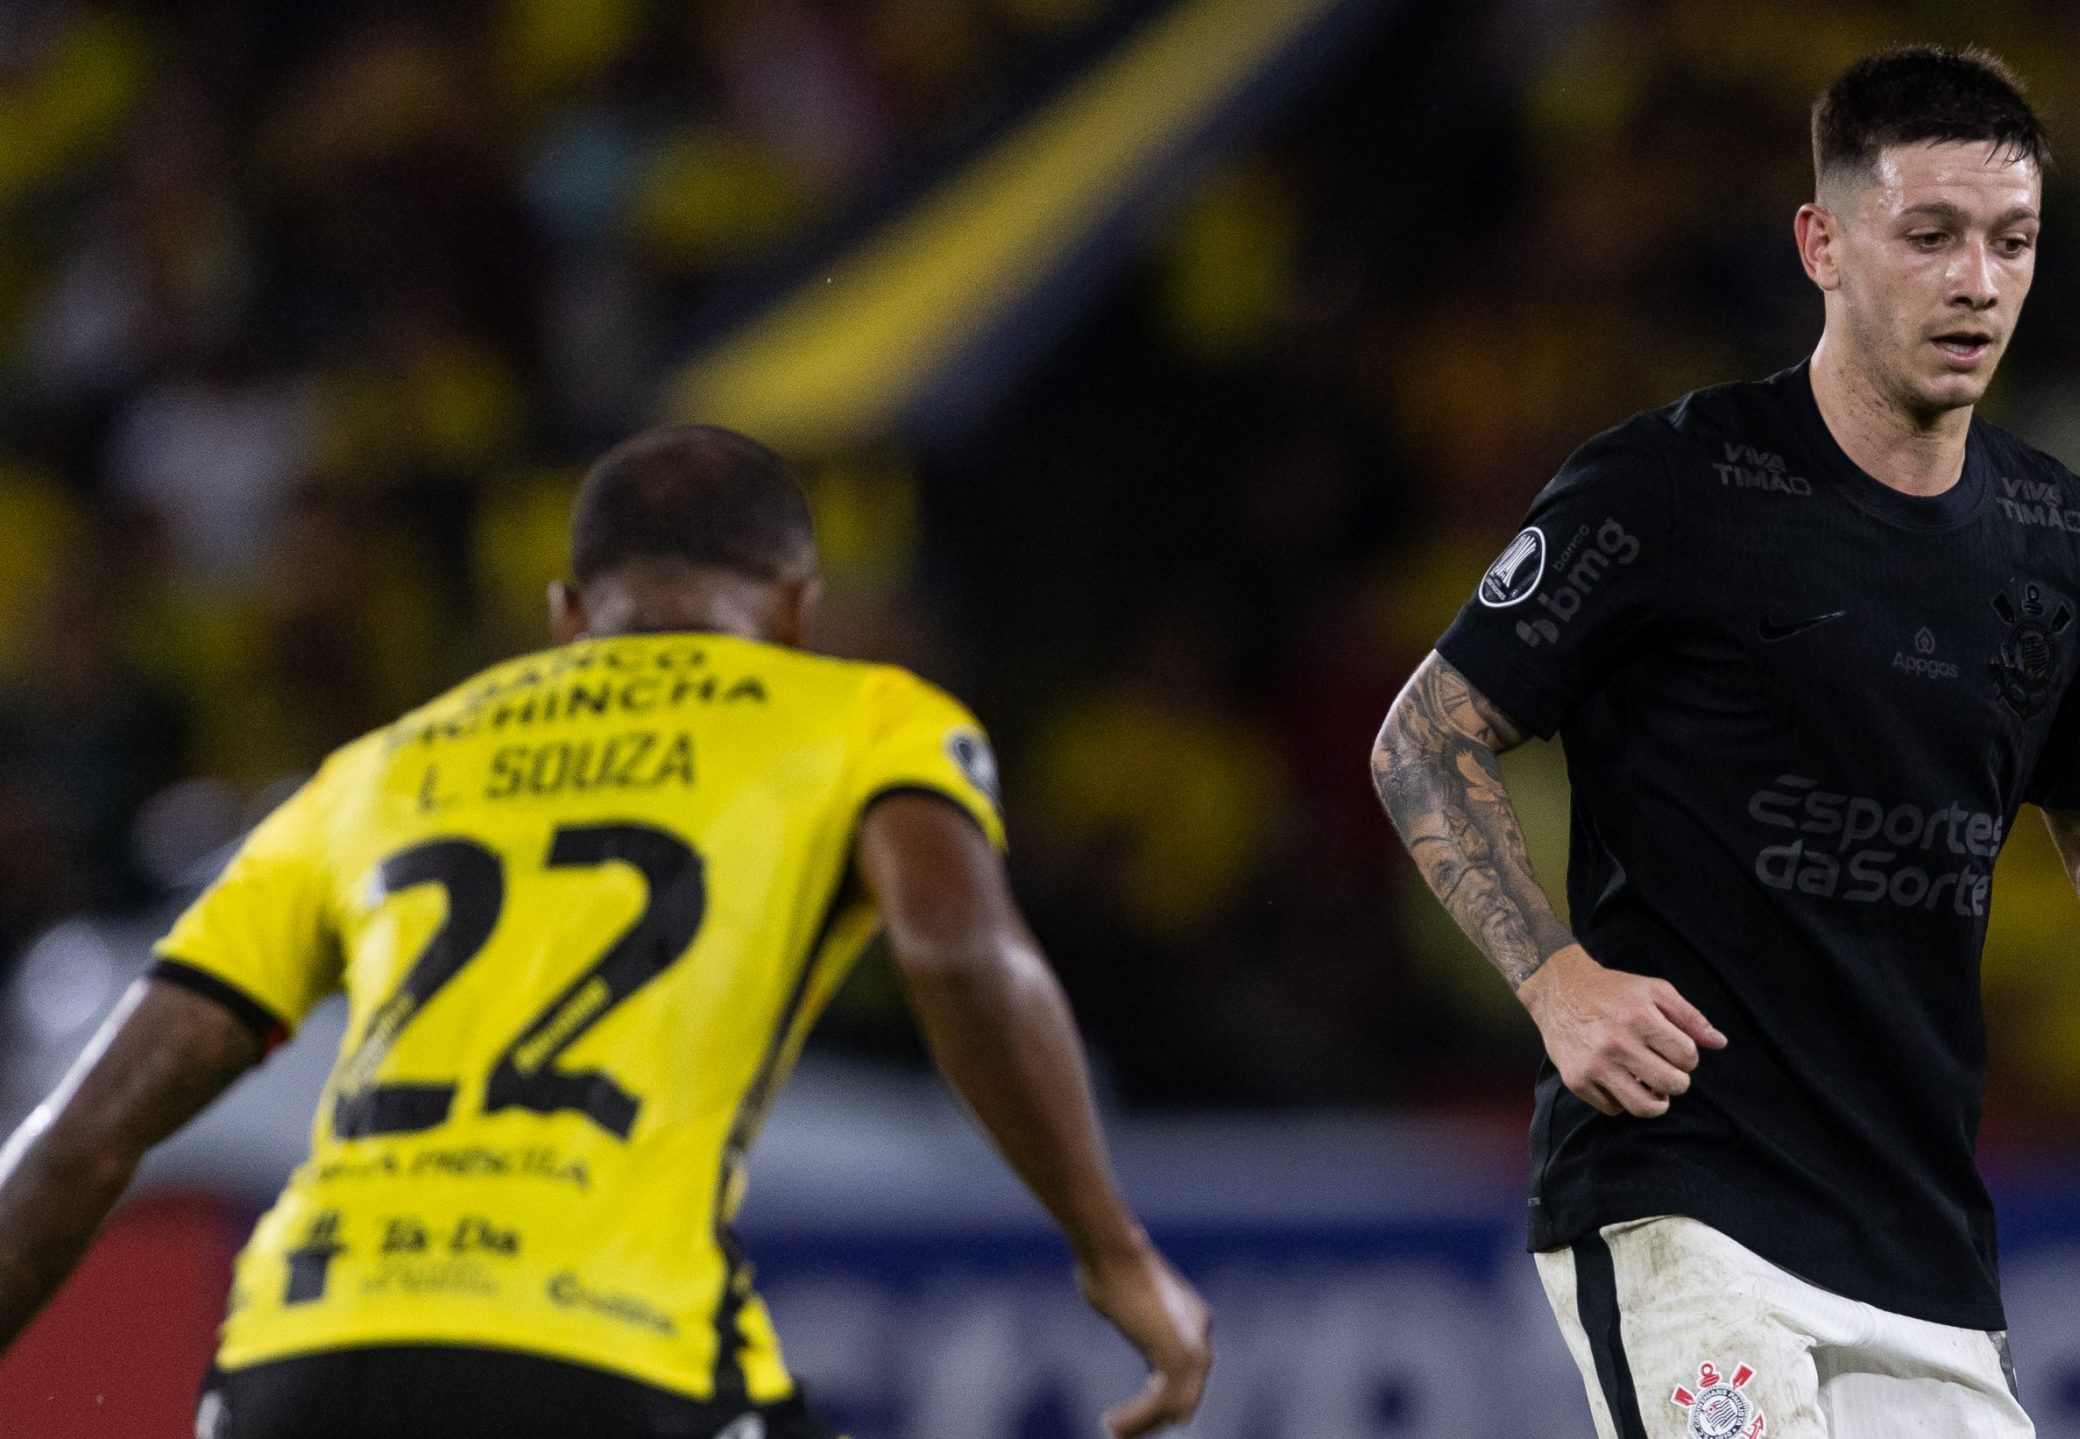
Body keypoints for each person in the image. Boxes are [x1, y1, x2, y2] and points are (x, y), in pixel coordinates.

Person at [1369, 46, 2080, 1439]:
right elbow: (1424, 738)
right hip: (1683, 1197)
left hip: (1920, 1242)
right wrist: (1556, 978)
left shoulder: (2061, 539)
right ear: (1821, 244)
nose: (1978, 282)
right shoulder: (1667, 488)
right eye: (1930, 235)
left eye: (2012, 241)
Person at [0, 425, 1211, 1439]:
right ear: (799, 610)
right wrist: (1110, 1247)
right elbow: (956, 952)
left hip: (297, 1356)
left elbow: (82, 1137)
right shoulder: (860, 714)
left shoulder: (372, 771)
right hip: (608, 1344)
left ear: (566, 613)